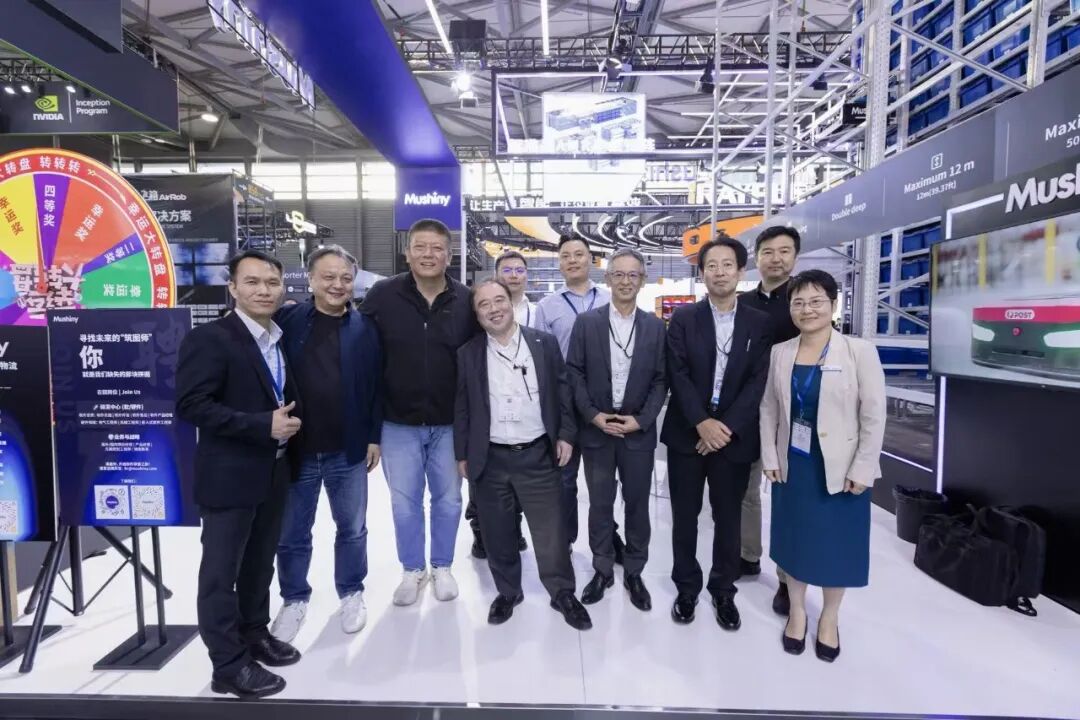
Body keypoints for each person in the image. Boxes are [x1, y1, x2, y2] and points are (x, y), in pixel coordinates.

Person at [176, 250, 302, 699]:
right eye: (252, 282)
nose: (264, 290)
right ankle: (227, 665)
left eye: (272, 282)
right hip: (229, 474)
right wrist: (261, 425)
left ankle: (254, 635)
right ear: (232, 287)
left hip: (272, 471)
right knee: (220, 573)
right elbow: (192, 405)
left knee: (259, 563)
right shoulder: (211, 339)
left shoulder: (275, 338)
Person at [759, 269, 886, 661]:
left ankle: (829, 617)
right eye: (798, 302)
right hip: (794, 464)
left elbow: (874, 415)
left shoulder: (858, 351)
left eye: (816, 301)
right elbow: (768, 409)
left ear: (833, 304)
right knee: (794, 540)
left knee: (837, 546)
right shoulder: (781, 352)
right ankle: (797, 611)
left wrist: (863, 468)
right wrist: (770, 456)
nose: (807, 309)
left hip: (840, 469)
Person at [455, 278, 591, 629]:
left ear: (511, 303)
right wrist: (462, 454)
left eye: (499, 300)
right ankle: (508, 592)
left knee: (551, 532)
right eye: (484, 304)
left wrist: (566, 435)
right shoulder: (469, 353)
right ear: (476, 314)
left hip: (537, 454)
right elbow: (463, 408)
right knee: (497, 532)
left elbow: (563, 392)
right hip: (490, 458)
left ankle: (562, 592)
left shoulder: (543, 343)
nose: (494, 309)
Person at [361, 219, 479, 606]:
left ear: (450, 255)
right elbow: (364, 355)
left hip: (449, 424)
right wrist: (369, 429)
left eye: (437, 248)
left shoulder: (466, 300)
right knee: (404, 502)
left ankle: (442, 566)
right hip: (397, 422)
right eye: (420, 247)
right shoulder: (383, 295)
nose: (429, 255)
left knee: (449, 500)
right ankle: (412, 569)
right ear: (407, 253)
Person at [270, 245, 382, 643]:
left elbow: (376, 387)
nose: (338, 285)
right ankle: (294, 598)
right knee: (292, 533)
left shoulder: (365, 328)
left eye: (345, 278)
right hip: (297, 450)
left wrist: (373, 437)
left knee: (351, 528)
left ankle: (351, 592)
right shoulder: (285, 321)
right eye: (329, 277)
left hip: (347, 450)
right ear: (311, 279)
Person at [662, 235, 772, 630]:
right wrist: (701, 422)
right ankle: (686, 586)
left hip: (733, 438)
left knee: (728, 518)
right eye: (712, 266)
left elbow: (757, 382)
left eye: (727, 265)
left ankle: (723, 589)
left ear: (741, 271)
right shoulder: (684, 319)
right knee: (685, 516)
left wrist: (724, 428)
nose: (719, 272)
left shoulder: (759, 323)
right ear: (703, 273)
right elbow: (677, 372)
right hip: (688, 434)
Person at [566, 248, 667, 611]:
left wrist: (642, 420)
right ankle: (603, 568)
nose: (626, 281)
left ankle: (635, 571)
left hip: (637, 433)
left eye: (633, 275)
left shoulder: (655, 327)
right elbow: (573, 373)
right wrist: (593, 416)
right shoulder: (587, 323)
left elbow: (661, 380)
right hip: (597, 432)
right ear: (607, 279)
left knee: (638, 504)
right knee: (600, 504)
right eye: (618, 274)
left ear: (643, 280)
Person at [534, 236, 625, 559]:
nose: (572, 260)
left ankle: (608, 537)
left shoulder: (611, 299)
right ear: (559, 263)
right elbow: (542, 360)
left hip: (604, 404)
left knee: (604, 481)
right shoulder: (546, 307)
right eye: (565, 256)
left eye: (579, 254)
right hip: (565, 406)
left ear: (591, 260)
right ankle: (565, 539)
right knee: (564, 479)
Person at [736, 225, 802, 615]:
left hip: (793, 412)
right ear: (756, 258)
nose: (776, 259)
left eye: (784, 251)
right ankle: (748, 555)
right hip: (748, 411)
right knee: (745, 491)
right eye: (768, 252)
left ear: (795, 256)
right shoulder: (742, 303)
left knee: (788, 496)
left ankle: (787, 578)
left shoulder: (802, 299)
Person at [464, 254, 531, 561]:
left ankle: (514, 529)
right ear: (497, 274)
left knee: (516, 484)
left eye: (519, 270)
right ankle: (480, 531)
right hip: (489, 412)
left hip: (524, 413)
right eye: (507, 270)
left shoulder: (537, 310)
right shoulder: (481, 310)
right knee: (482, 481)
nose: (514, 275)